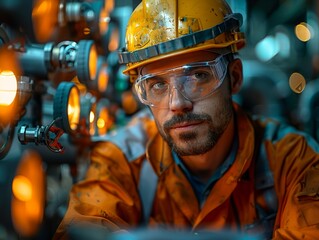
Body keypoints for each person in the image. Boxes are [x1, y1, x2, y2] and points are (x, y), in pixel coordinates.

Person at [54, 0, 319, 239]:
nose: (178, 103)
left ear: (235, 77)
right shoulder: (121, 158)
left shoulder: (293, 161)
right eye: (157, 85)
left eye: (198, 76)